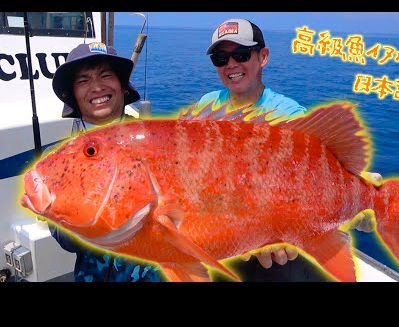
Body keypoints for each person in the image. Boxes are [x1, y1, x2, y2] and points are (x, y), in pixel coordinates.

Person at [196, 18, 380, 281]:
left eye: (241, 54)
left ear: (263, 57)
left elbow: (317, 177)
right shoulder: (208, 105)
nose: (231, 64)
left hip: (274, 248)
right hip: (224, 234)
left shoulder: (289, 116)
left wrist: (360, 196)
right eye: (220, 58)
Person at [48, 42, 163, 282]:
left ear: (122, 86)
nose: (97, 87)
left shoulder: (157, 144)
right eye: (83, 80)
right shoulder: (57, 160)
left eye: (106, 75)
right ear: (73, 95)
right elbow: (64, 238)